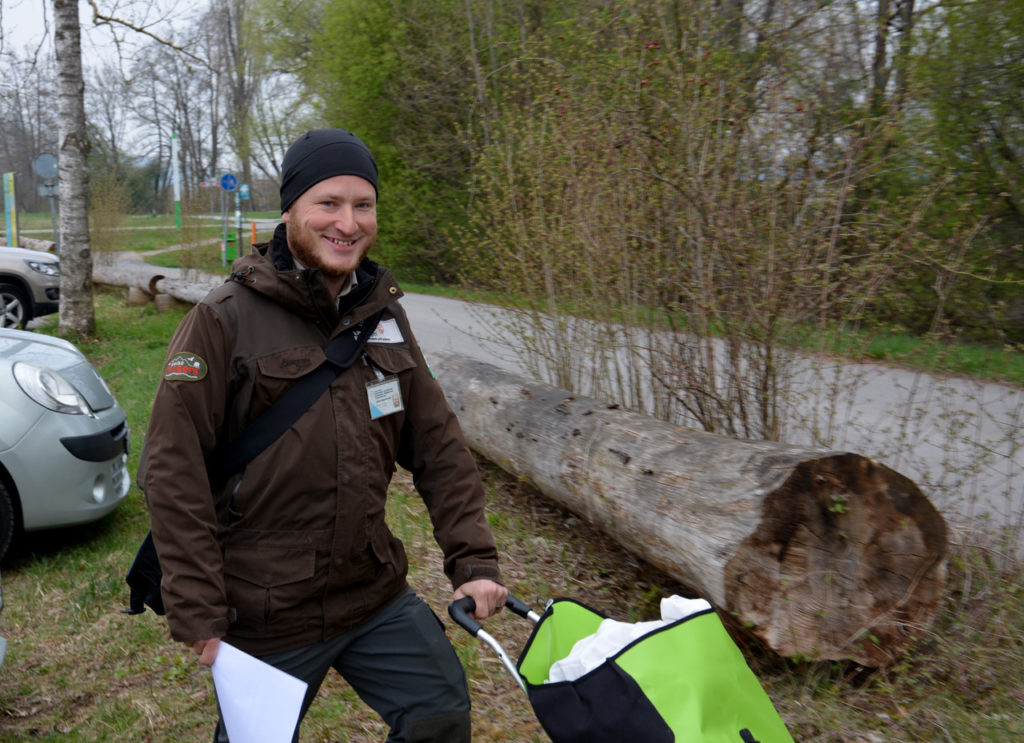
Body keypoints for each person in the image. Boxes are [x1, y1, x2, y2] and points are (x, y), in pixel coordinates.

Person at [142, 128, 507, 742]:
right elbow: (172, 470)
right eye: (328, 203)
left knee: (439, 716)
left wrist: (472, 559)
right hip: (265, 610)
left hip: (371, 591)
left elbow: (438, 444)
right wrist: (199, 608)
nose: (348, 222)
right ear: (290, 211)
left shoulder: (382, 316)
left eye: (363, 205)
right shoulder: (223, 318)